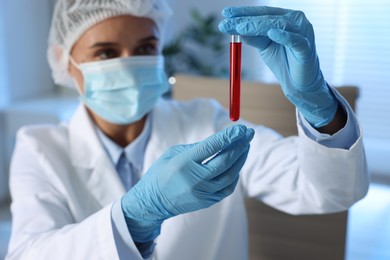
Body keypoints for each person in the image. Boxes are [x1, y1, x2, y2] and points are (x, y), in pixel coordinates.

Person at [6, 1, 369, 259]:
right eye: (106, 53)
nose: (130, 65)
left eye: (146, 47)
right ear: (64, 62)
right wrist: (133, 219)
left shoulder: (207, 122)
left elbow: (329, 191)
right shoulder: (40, 147)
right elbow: (27, 253)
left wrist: (320, 109)